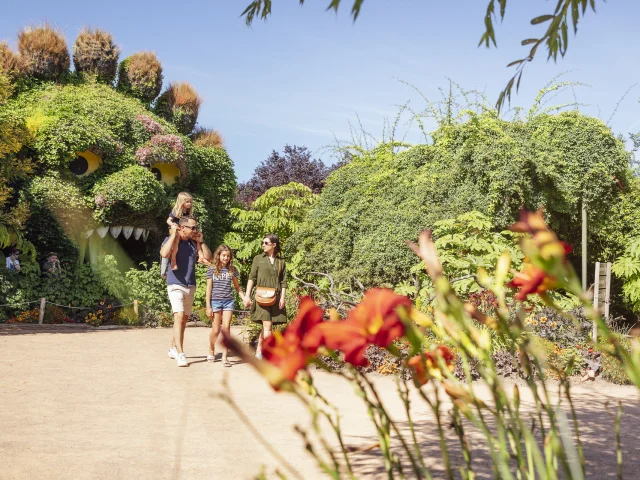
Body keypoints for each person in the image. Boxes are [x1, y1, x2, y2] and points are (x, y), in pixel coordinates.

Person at [160, 216, 212, 367]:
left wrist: (201, 241)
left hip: (190, 284)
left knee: (183, 321)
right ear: (183, 228)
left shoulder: (193, 243)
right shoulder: (170, 239)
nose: (195, 230)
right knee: (179, 316)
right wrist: (172, 235)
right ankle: (181, 354)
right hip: (175, 283)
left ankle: (172, 348)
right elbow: (164, 254)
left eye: (196, 228)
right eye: (193, 228)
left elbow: (207, 258)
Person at [244, 234, 287, 359]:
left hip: (275, 298)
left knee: (266, 326)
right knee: (268, 326)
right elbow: (252, 278)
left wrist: (283, 297)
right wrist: (247, 295)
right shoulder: (258, 259)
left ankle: (259, 352)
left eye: (266, 243)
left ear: (274, 245)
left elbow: (283, 282)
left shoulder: (281, 261)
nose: (263, 245)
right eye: (262, 242)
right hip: (261, 297)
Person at [205, 245, 249, 367]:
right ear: (218, 255)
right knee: (215, 330)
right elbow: (208, 289)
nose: (226, 258)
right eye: (224, 255)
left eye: (228, 256)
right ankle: (211, 349)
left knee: (226, 328)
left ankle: (225, 356)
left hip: (228, 301)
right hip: (215, 301)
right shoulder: (212, 269)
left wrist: (244, 297)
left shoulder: (232, 269)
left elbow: (237, 287)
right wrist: (208, 306)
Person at [161, 192, 208, 277]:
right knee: (176, 241)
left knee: (197, 237)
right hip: (175, 230)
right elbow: (168, 220)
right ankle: (173, 260)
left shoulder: (188, 212)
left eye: (190, 202)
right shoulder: (176, 211)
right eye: (187, 202)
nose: (189, 204)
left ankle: (201, 257)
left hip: (184, 230)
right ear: (181, 202)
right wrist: (172, 225)